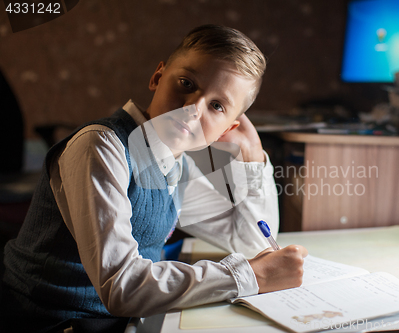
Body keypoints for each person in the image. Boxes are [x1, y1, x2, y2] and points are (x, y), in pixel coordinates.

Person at [1, 24, 308, 333]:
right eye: (186, 83)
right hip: (47, 320)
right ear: (158, 77)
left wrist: (254, 158)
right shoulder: (102, 147)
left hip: (116, 322)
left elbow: (255, 242)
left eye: (217, 106)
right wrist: (249, 276)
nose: (193, 108)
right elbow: (120, 287)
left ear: (227, 128)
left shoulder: (177, 164)